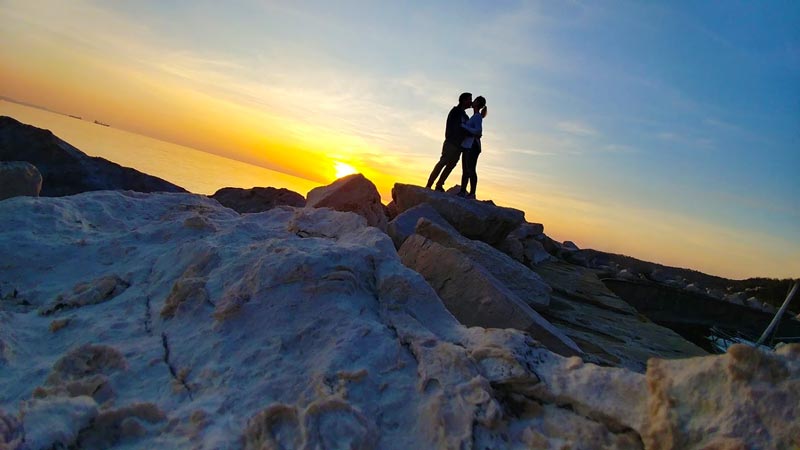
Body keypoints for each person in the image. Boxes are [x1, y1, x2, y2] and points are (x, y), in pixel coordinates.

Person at [425, 92, 478, 191]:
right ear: (463, 100)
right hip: (451, 142)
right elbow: (458, 127)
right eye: (469, 99)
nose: (471, 102)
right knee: (443, 162)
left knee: (451, 165)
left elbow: (468, 127)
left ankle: (439, 185)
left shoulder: (465, 116)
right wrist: (471, 133)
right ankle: (429, 184)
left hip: (459, 145)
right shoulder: (456, 111)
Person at [457, 96, 487, 199]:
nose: (472, 102)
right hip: (468, 145)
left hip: (473, 146)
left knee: (470, 169)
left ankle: (472, 193)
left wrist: (464, 126)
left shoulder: (477, 116)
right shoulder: (474, 116)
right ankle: (462, 191)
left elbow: (478, 131)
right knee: (466, 169)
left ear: (477, 103)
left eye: (474, 100)